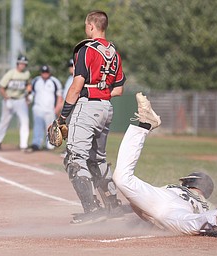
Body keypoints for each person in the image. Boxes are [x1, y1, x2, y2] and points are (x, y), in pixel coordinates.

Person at [112, 92, 217, 241]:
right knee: (194, 223)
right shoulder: (207, 204)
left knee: (122, 178)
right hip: (174, 210)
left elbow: (136, 205)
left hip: (161, 198)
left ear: (188, 182)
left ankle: (145, 125)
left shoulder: (175, 188)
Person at [53, 10, 127, 224]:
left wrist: (62, 117)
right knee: (97, 159)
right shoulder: (114, 52)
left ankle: (92, 209)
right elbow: (119, 89)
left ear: (91, 27)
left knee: (75, 159)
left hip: (87, 108)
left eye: (87, 25)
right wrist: (101, 93)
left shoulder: (86, 49)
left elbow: (76, 87)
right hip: (106, 107)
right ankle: (113, 205)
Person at [0, 55, 31, 151]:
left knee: (25, 121)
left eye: (24, 64)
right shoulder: (11, 73)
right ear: (17, 64)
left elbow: (28, 85)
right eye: (21, 63)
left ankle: (24, 145)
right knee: (4, 122)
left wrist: (28, 95)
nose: (22, 65)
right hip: (9, 99)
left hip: (20, 100)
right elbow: (1, 87)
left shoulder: (26, 74)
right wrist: (6, 98)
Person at [27, 65, 63, 152]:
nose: (45, 74)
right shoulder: (36, 80)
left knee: (50, 127)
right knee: (37, 126)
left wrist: (58, 106)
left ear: (49, 73)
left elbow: (59, 95)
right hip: (38, 108)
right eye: (43, 72)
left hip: (50, 109)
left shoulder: (54, 81)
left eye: (46, 72)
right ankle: (36, 143)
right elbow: (31, 92)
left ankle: (50, 144)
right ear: (41, 73)